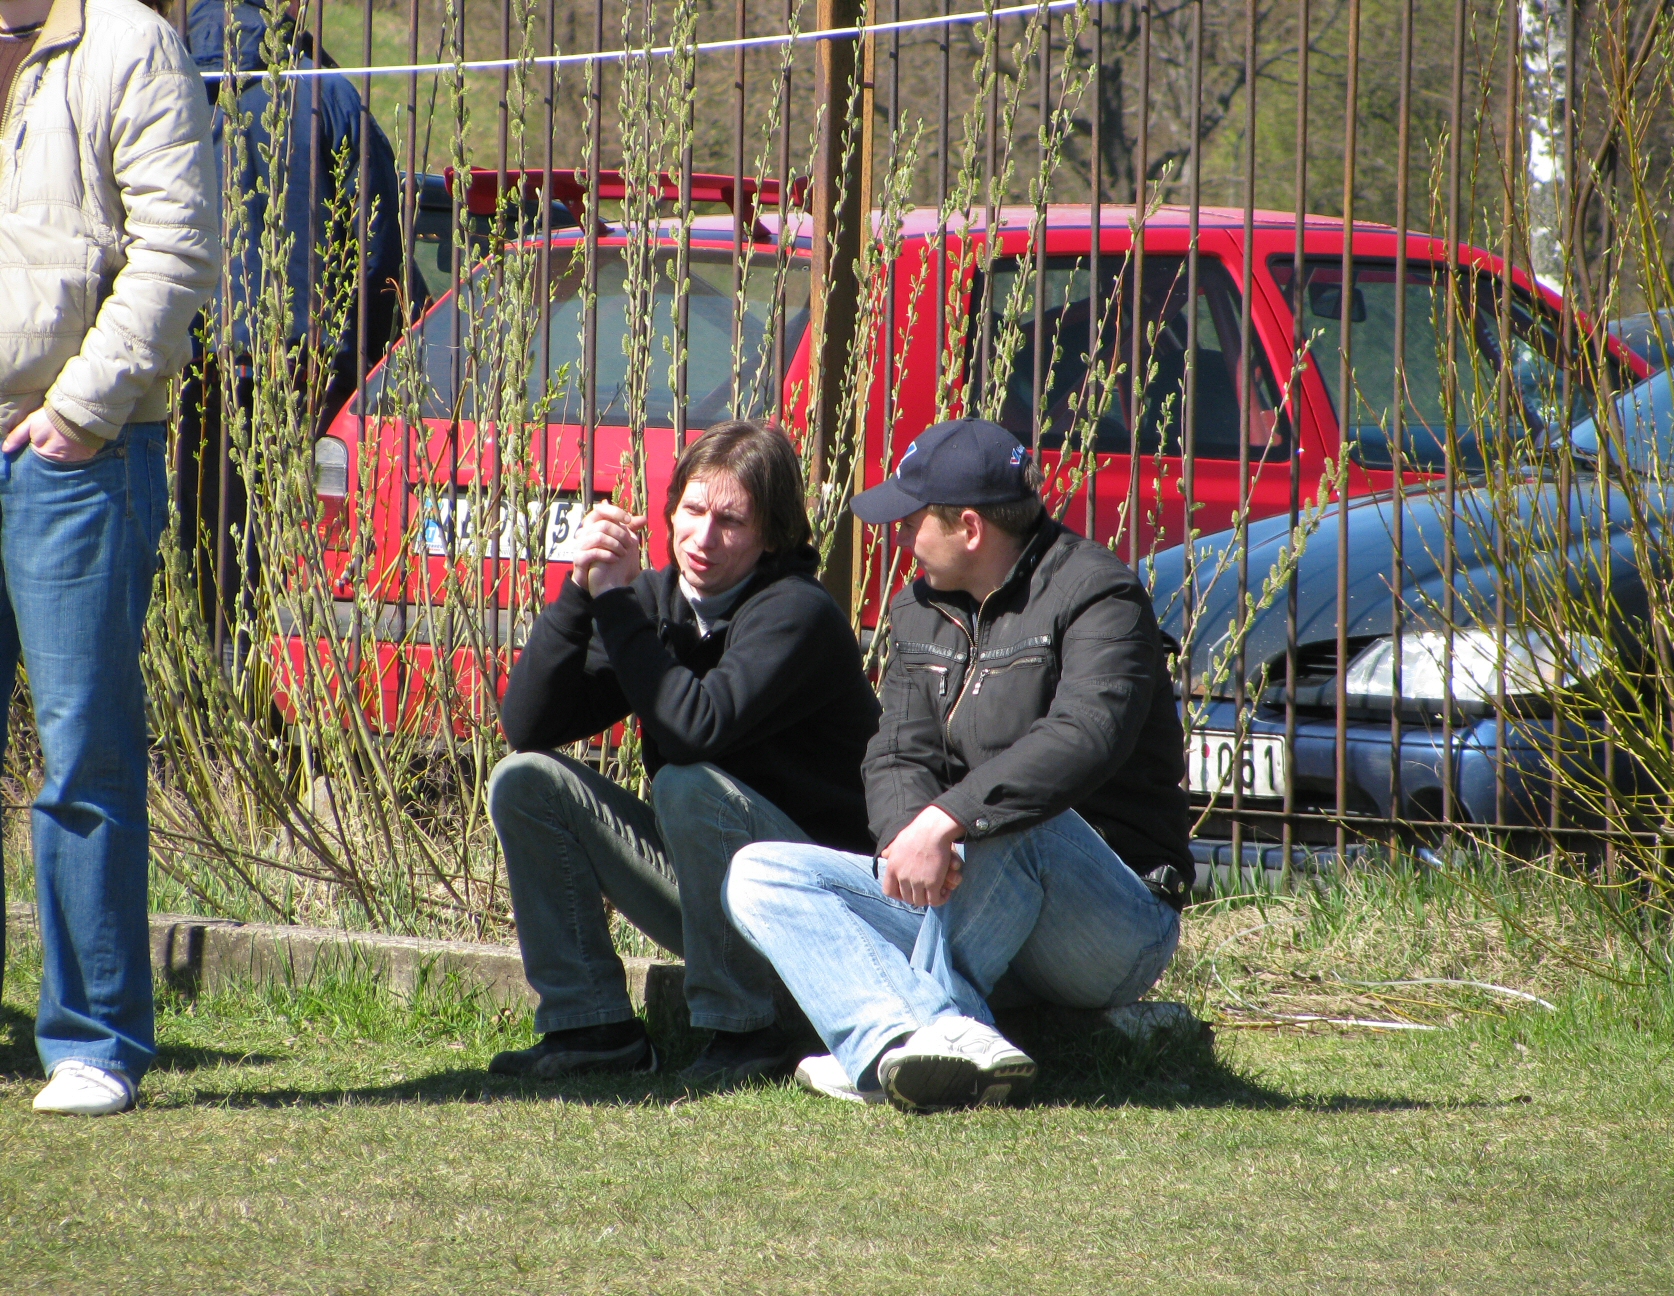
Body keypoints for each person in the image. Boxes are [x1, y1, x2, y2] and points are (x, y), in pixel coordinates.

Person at [724, 418, 1192, 1113]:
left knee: (1017, 815)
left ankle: (921, 1033)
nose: (901, 538)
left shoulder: (1099, 596)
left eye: (913, 521)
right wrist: (904, 839)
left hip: (1111, 921)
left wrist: (946, 819)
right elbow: (897, 750)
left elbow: (1085, 735)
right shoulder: (918, 608)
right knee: (760, 873)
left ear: (969, 528)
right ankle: (906, 1044)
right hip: (975, 898)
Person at [489, 420, 882, 1085]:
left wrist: (617, 607)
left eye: (731, 521)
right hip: (722, 903)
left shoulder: (796, 612)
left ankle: (746, 1030)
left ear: (771, 534)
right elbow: (529, 724)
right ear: (668, 511)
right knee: (523, 780)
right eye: (693, 510)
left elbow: (693, 731)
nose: (703, 537)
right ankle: (593, 1026)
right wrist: (580, 593)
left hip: (822, 915)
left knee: (687, 782)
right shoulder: (654, 602)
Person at [0, 0, 219, 1114]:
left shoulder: (129, 41)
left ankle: (93, 1039)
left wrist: (81, 410)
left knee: (83, 751)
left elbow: (178, 247)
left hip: (75, 455)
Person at [178, 0, 411, 647]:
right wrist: (359, 360)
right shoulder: (326, 93)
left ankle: (203, 676)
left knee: (197, 546)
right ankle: (267, 682)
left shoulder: (163, 81)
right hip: (302, 366)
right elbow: (375, 244)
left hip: (185, 360)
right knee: (286, 553)